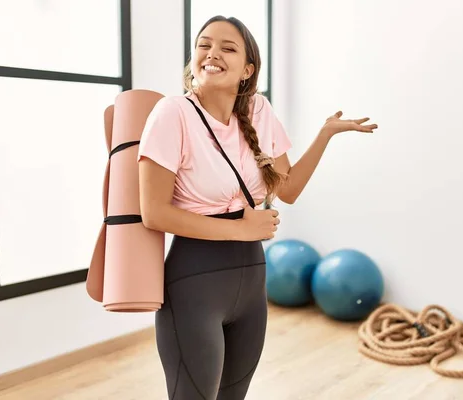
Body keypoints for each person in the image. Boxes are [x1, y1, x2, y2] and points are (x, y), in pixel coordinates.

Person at [137, 15, 378, 400]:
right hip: (193, 286)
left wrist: (325, 134)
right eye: (204, 44)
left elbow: (289, 189)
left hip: (251, 286)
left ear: (248, 69)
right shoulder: (172, 113)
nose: (212, 53)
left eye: (227, 48)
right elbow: (154, 213)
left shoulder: (259, 111)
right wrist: (241, 229)